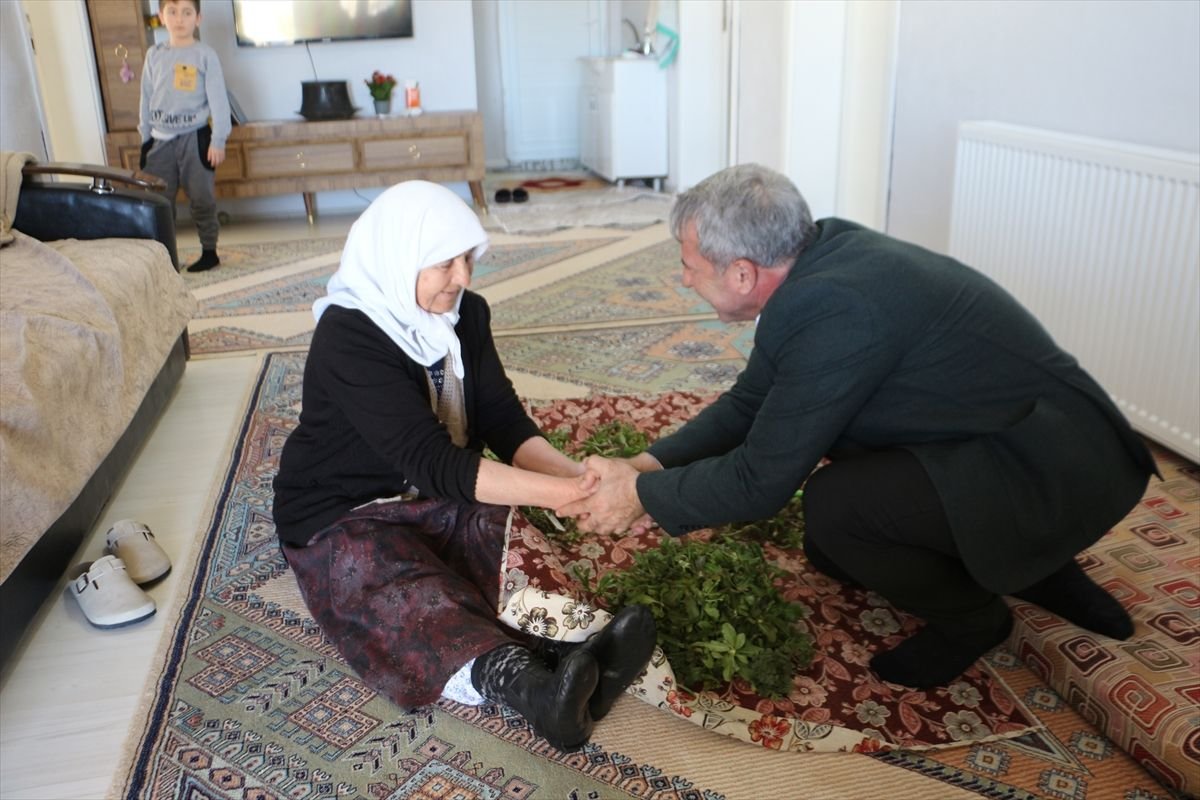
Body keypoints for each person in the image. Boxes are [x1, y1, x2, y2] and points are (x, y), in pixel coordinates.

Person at [561, 163, 1156, 690]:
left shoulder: (834, 310)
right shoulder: (821, 257)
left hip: (1049, 467)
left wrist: (638, 497)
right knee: (830, 549)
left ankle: (976, 615)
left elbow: (760, 480)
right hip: (1030, 440)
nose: (683, 278)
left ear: (742, 273)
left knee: (836, 511)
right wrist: (648, 465)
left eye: (688, 266)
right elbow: (750, 404)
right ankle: (1031, 562)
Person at [271, 181, 656, 751]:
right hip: (345, 512)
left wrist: (576, 480)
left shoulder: (466, 313)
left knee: (499, 535)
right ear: (398, 257)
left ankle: (575, 651)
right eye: (444, 262)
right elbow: (431, 461)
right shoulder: (348, 335)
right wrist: (559, 496)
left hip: (433, 494)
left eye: (468, 258)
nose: (463, 277)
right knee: (392, 582)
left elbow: (502, 421)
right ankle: (527, 689)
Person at [137, 0, 229, 272]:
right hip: (159, 141)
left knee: (202, 198)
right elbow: (145, 98)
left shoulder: (205, 55)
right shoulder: (154, 55)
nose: (180, 19)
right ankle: (166, 258)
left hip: (195, 139)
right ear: (161, 17)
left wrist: (218, 140)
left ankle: (209, 251)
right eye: (173, 12)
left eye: (187, 13)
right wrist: (145, 139)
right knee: (161, 203)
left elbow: (219, 101)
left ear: (197, 18)